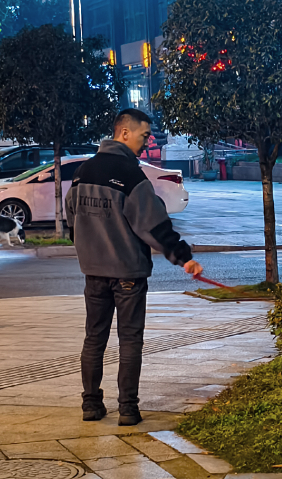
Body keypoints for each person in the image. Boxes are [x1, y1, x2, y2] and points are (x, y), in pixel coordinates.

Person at [65, 109, 203, 425]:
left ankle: (90, 404)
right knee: (129, 341)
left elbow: (72, 220)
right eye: (143, 136)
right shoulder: (131, 176)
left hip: (93, 273)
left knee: (94, 338)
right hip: (128, 273)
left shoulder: (82, 172)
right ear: (124, 133)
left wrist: (86, 249)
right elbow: (154, 225)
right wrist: (184, 257)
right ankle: (127, 408)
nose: (145, 143)